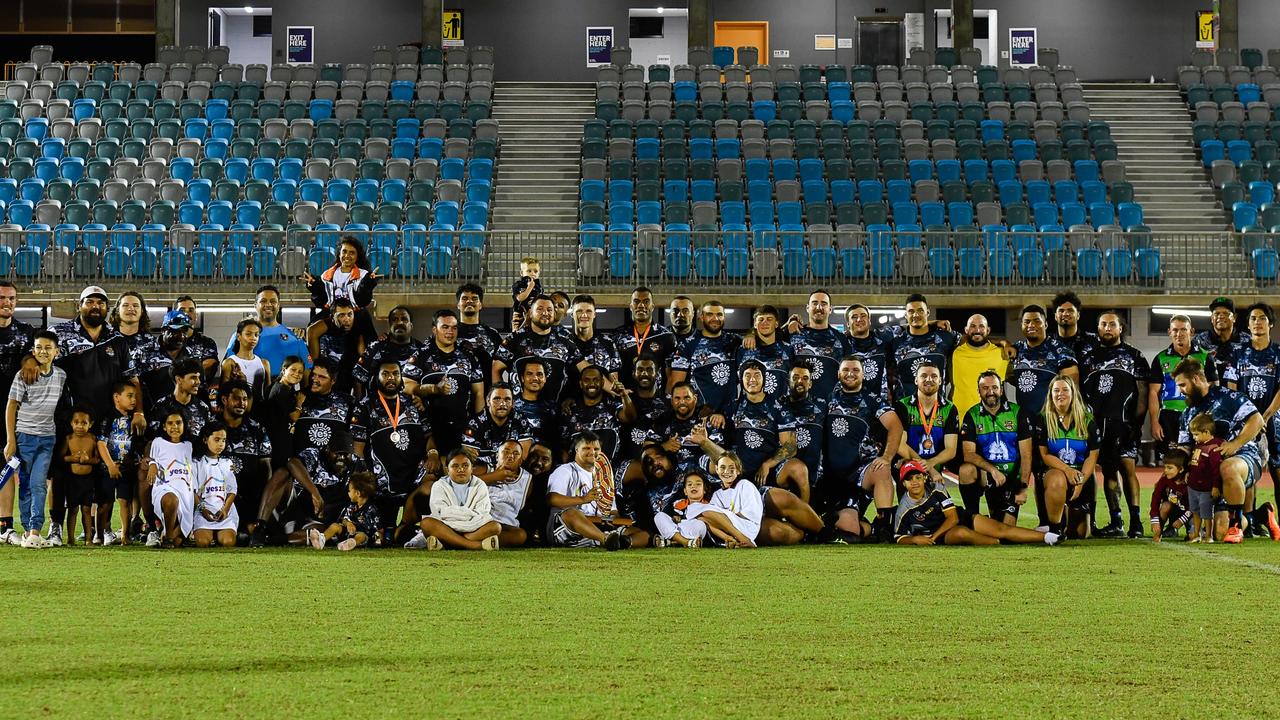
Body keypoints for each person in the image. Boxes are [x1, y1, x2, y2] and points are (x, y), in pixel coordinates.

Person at [1079, 311, 1149, 538]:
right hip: (1097, 425)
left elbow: (1142, 393)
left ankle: (1136, 522)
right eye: (1103, 324)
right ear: (1097, 329)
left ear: (1121, 329)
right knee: (1108, 471)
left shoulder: (1134, 356)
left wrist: (1136, 424)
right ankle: (1116, 520)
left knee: (1127, 468)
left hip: (1124, 423)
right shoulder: (1088, 358)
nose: (1107, 328)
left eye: (1112, 325)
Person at [821, 356, 903, 543]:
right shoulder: (827, 398)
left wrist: (887, 457)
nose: (850, 374)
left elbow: (895, 426)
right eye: (846, 370)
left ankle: (883, 527)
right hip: (830, 478)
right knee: (850, 529)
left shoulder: (872, 400)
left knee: (882, 470)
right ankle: (868, 528)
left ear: (863, 374)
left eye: (856, 370)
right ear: (838, 374)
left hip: (859, 473)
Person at [893, 460, 1060, 546]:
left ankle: (1048, 537)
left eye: (917, 477)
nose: (914, 482)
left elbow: (953, 518)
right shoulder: (904, 508)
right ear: (903, 484)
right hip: (946, 534)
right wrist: (916, 540)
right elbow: (899, 538)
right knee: (962, 534)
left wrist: (931, 538)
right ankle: (996, 543)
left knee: (1001, 529)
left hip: (958, 519)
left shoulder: (937, 488)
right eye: (909, 479)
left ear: (924, 478)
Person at [352, 360, 429, 537]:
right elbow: (358, 448)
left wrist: (431, 454)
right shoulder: (365, 406)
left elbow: (429, 435)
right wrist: (364, 477)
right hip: (382, 485)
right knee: (384, 534)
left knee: (432, 486)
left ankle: (410, 528)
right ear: (377, 378)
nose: (391, 378)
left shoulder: (413, 403)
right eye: (385, 374)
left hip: (413, 477)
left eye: (395, 373)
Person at [3, 330, 63, 548]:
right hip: (24, 437)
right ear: (33, 350)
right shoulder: (23, 375)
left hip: (48, 437)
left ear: (57, 351)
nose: (43, 352)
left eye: (48, 348)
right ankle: (29, 531)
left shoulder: (61, 375)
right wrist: (11, 440)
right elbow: (11, 405)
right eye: (38, 348)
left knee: (39, 483)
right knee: (27, 484)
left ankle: (35, 530)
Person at [546, 432, 648, 550]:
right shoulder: (565, 470)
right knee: (572, 513)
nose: (592, 452)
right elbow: (552, 499)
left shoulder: (604, 476)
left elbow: (612, 510)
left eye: (596, 449)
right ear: (577, 449)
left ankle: (621, 542)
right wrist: (583, 499)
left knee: (642, 534)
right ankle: (605, 539)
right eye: (586, 448)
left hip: (597, 526)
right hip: (567, 529)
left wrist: (613, 519)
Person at [403, 309, 485, 454]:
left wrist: (479, 426)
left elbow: (479, 393)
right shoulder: (421, 356)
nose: (450, 332)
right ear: (434, 330)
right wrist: (432, 389)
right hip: (429, 429)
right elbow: (405, 385)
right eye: (445, 327)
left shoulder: (469, 357)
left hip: (462, 428)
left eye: (454, 328)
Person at [1223, 302, 1280, 507]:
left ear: (1270, 324)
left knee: (1278, 469)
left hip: (1273, 420)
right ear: (1247, 325)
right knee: (1247, 468)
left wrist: (1264, 417)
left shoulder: (1278, 352)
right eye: (1253, 319)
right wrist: (1248, 417)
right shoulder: (1237, 353)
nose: (1257, 322)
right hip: (1244, 421)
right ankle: (1250, 522)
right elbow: (1232, 388)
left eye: (1262, 318)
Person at [959, 371, 1034, 524]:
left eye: (994, 387)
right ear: (978, 391)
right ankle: (972, 517)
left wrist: (1023, 487)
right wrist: (992, 470)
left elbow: (1026, 454)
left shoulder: (1017, 412)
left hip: (1011, 479)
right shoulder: (972, 415)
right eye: (985, 388)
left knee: (1005, 529)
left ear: (1001, 389)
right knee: (966, 470)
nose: (990, 392)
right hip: (987, 477)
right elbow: (968, 454)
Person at [1038, 375, 1101, 539]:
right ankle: (1055, 528)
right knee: (1057, 479)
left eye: (1065, 389)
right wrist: (1067, 470)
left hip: (1081, 475)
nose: (1060, 394)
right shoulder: (1043, 420)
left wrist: (1080, 482)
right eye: (1056, 390)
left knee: (1080, 534)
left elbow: (1092, 456)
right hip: (1055, 474)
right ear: (1050, 394)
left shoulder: (1087, 420)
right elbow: (1044, 455)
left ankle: (1067, 513)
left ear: (1073, 393)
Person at [1148, 314, 1217, 464]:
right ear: (1169, 332)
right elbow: (1154, 392)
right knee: (1171, 463)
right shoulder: (1160, 358)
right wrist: (1154, 421)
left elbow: (1214, 387)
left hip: (1197, 414)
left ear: (1191, 331)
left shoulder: (1205, 357)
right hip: (1168, 417)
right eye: (1175, 330)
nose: (1179, 334)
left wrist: (1210, 415)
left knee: (1198, 461)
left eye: (1183, 330)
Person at [404, 448, 501, 550]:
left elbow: (482, 513)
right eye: (455, 466)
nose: (461, 470)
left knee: (495, 527)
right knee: (426, 523)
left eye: (465, 465)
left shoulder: (480, 485)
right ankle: (474, 545)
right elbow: (440, 512)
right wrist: (468, 515)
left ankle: (446, 541)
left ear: (472, 468)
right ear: (447, 469)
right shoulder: (439, 485)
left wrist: (457, 520)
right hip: (448, 525)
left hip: (471, 526)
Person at [493, 295, 583, 403]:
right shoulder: (514, 339)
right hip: (518, 413)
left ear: (554, 314)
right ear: (530, 313)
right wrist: (501, 398)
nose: (545, 313)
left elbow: (585, 369)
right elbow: (496, 369)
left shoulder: (566, 342)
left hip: (554, 412)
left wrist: (571, 397)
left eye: (549, 310)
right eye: (540, 309)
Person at [0, 281, 34, 544]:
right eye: (2, 298)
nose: (7, 303)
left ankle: (5, 526)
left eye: (11, 298)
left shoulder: (26, 333)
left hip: (15, 410)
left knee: (9, 465)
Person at [303, 235, 381, 346]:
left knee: (369, 339)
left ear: (357, 256)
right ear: (339, 253)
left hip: (355, 313)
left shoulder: (364, 275)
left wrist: (368, 283)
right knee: (311, 329)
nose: (347, 256)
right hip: (331, 313)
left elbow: (364, 300)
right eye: (344, 251)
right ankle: (313, 361)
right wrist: (314, 286)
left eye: (352, 253)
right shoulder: (327, 274)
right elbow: (321, 301)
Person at [1006, 304, 1079, 421]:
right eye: (1027, 322)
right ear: (1021, 325)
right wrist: (1005, 343)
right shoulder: (1016, 349)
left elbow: (1072, 389)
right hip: (1023, 421)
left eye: (1036, 321)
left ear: (1045, 324)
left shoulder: (1061, 352)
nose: (1031, 325)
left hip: (1051, 421)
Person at [668, 299, 741, 414]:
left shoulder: (734, 341)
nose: (715, 318)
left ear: (724, 317)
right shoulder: (687, 345)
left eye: (719, 314)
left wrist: (751, 335)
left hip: (729, 414)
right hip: (700, 414)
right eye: (709, 314)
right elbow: (676, 385)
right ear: (701, 317)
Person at [224, 286, 312, 380]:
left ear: (278, 305)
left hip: (282, 393)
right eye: (263, 301)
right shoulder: (241, 336)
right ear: (255, 305)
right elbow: (227, 369)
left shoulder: (295, 337)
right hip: (249, 392)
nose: (268, 304)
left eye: (273, 301)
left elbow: (307, 370)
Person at [895, 362, 960, 485]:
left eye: (934, 376)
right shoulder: (903, 406)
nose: (929, 379)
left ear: (940, 381)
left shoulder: (950, 408)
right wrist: (928, 468)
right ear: (916, 380)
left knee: (942, 504)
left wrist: (931, 463)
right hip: (909, 466)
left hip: (936, 467)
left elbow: (951, 450)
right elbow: (900, 445)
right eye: (923, 376)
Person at [888, 294, 961, 400]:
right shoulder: (895, 341)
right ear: (905, 315)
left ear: (927, 313)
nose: (916, 314)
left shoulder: (945, 337)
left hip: (937, 408)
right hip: (904, 409)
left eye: (920, 311)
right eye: (911, 311)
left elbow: (969, 340)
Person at [558, 364, 635, 463]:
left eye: (595, 379)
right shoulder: (570, 410)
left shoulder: (612, 406)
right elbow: (564, 446)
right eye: (587, 380)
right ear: (581, 384)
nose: (591, 383)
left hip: (610, 469)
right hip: (580, 472)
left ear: (602, 382)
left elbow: (630, 417)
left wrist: (624, 396)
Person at [685, 452, 762, 548]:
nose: (726, 471)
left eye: (731, 468)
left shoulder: (745, 485)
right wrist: (722, 516)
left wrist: (725, 514)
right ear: (716, 469)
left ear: (738, 470)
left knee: (702, 510)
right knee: (700, 517)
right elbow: (713, 518)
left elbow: (752, 514)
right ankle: (730, 539)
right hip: (729, 530)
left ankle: (744, 539)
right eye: (722, 467)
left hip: (748, 528)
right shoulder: (717, 494)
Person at [784, 290, 850, 400]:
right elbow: (768, 337)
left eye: (824, 304)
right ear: (807, 308)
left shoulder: (841, 339)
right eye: (814, 303)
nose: (819, 307)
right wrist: (751, 334)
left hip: (830, 406)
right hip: (797, 405)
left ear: (830, 309)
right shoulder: (794, 333)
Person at [96, 381, 140, 545]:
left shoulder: (134, 419)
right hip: (107, 468)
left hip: (126, 468)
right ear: (116, 397)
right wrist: (110, 465)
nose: (133, 400)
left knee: (125, 501)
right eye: (129, 396)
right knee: (105, 503)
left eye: (135, 396)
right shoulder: (108, 417)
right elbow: (101, 442)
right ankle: (99, 535)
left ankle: (125, 535)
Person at [611, 287, 678, 392]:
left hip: (656, 400)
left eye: (646, 302)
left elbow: (670, 375)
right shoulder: (618, 335)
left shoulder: (666, 336)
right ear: (631, 306)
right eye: (636, 301)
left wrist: (667, 400)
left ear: (652, 307)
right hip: (626, 397)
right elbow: (613, 370)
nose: (641, 305)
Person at [146, 411, 195, 547]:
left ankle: (172, 534)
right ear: (164, 427)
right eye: (170, 423)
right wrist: (152, 464)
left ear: (184, 425)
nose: (174, 427)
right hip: (164, 486)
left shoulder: (188, 446)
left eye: (178, 423)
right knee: (171, 500)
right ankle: (167, 537)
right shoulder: (158, 442)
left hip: (185, 489)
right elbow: (151, 458)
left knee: (179, 541)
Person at [351, 306, 424, 397]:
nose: (399, 322)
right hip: (378, 407)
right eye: (395, 319)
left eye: (404, 319)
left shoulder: (421, 351)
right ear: (389, 324)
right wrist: (359, 405)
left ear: (411, 325)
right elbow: (357, 378)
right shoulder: (375, 347)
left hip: (411, 408)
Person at [463, 383, 534, 475]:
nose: (502, 403)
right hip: (483, 475)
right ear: (488, 401)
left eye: (507, 399)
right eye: (497, 399)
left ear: (513, 403)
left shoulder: (521, 421)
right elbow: (470, 462)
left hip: (513, 473)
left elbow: (523, 457)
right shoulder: (474, 424)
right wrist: (496, 473)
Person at [291, 357, 354, 455]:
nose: (314, 379)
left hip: (333, 465)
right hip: (299, 464)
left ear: (333, 381)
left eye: (321, 377)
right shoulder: (296, 398)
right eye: (313, 374)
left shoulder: (348, 403)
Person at [191, 422, 238, 548]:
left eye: (223, 440)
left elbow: (232, 490)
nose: (221, 444)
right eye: (216, 439)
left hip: (223, 510)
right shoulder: (196, 462)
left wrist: (225, 510)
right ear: (206, 439)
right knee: (203, 542)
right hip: (203, 510)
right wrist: (203, 510)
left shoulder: (227, 462)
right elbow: (193, 491)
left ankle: (221, 533)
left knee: (228, 542)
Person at [950, 314, 1006, 417]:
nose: (977, 330)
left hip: (989, 420)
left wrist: (1005, 343)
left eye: (981, 326)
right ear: (966, 330)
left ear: (988, 330)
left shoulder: (1002, 354)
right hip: (960, 417)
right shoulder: (955, 353)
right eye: (973, 326)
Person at [59, 407, 101, 545]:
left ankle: (88, 538)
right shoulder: (69, 438)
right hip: (73, 480)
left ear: (90, 424)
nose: (79, 426)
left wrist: (87, 460)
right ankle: (70, 539)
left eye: (84, 423)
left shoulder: (93, 439)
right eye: (76, 422)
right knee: (72, 510)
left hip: (88, 480)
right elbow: (62, 457)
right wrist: (74, 458)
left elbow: (97, 459)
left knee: (87, 509)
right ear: (71, 423)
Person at [307, 472, 380, 551]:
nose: (348, 493)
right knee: (335, 525)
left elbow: (378, 528)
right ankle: (321, 539)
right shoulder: (350, 506)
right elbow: (343, 519)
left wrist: (379, 539)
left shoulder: (371, 509)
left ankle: (351, 543)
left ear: (357, 493)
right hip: (347, 533)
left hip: (364, 536)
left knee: (361, 536)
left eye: (349, 491)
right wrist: (348, 523)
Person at [736, 305, 793, 402]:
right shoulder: (743, 350)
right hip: (750, 413)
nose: (765, 323)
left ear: (776, 324)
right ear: (754, 324)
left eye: (769, 319)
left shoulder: (788, 349)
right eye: (761, 319)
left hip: (779, 411)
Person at [481, 440, 532, 547]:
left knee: (521, 535)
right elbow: (462, 483)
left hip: (505, 526)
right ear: (497, 456)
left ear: (520, 461)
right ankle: (480, 543)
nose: (510, 456)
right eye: (506, 452)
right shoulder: (485, 469)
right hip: (482, 522)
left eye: (516, 454)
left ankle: (469, 541)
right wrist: (493, 477)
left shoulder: (527, 479)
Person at [307, 298, 364, 393]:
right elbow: (313, 362)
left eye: (350, 314)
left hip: (346, 377)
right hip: (324, 375)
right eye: (341, 315)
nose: (347, 319)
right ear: (332, 317)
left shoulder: (359, 329)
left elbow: (363, 360)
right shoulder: (320, 328)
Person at [150, 358, 215, 441]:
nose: (198, 382)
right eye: (193, 377)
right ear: (179, 379)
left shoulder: (202, 408)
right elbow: (153, 439)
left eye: (198, 377)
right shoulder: (161, 406)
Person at [454, 283, 504, 389]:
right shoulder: (449, 333)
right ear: (458, 305)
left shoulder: (492, 334)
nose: (469, 301)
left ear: (480, 305)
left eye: (474, 298)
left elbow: (501, 365)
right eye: (465, 298)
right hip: (457, 393)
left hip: (486, 393)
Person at [1184, 411, 1225, 543]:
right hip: (1194, 486)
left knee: (1207, 513)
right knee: (1195, 511)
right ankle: (1196, 534)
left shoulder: (1213, 448)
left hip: (1206, 488)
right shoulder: (1199, 445)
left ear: (1206, 432)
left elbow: (1216, 470)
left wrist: (1215, 486)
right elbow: (1194, 462)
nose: (1194, 437)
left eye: (1196, 434)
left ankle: (1208, 535)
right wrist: (1188, 473)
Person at [843, 303, 897, 400]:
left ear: (869, 321)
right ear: (847, 324)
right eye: (854, 317)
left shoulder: (882, 336)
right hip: (851, 403)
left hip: (880, 403)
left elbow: (909, 327)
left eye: (863, 316)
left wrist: (933, 323)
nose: (859, 319)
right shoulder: (840, 342)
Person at [261, 356, 306, 468]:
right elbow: (294, 417)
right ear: (284, 370)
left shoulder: (280, 386)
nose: (297, 374)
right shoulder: (282, 390)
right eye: (293, 370)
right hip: (277, 441)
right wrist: (299, 403)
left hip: (275, 440)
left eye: (300, 372)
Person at [1194, 296, 1251, 381]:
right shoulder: (1200, 341)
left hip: (1238, 391)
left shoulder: (1247, 340)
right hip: (1210, 390)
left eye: (1225, 313)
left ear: (1234, 318)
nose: (1220, 316)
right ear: (1212, 318)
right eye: (1216, 313)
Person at [651, 470, 710, 548]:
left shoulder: (709, 506)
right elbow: (667, 516)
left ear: (704, 490)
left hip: (692, 529)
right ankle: (686, 542)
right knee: (659, 516)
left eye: (698, 484)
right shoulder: (677, 503)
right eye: (690, 484)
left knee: (700, 525)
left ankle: (674, 542)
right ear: (685, 491)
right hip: (677, 528)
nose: (693, 486)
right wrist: (674, 517)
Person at [221, 318, 272, 399]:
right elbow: (224, 393)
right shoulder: (230, 363)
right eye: (248, 334)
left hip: (259, 409)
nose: (253, 338)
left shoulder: (264, 363)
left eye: (256, 335)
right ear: (238, 336)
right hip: (238, 408)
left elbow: (268, 394)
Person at [1150, 448, 1191, 543]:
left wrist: (1182, 519)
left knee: (1192, 536)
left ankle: (1199, 532)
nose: (1165, 471)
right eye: (1165, 467)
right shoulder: (1164, 480)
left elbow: (1195, 506)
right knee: (1165, 506)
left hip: (1190, 514)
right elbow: (1155, 499)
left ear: (1181, 469)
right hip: (1175, 510)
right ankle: (1160, 532)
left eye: (1169, 468)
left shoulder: (1189, 483)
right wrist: (1155, 521)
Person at [1050, 291, 1100, 363]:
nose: (1065, 314)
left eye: (1070, 310)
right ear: (1055, 316)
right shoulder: (1047, 342)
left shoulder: (1094, 340)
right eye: (1061, 310)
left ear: (1078, 315)